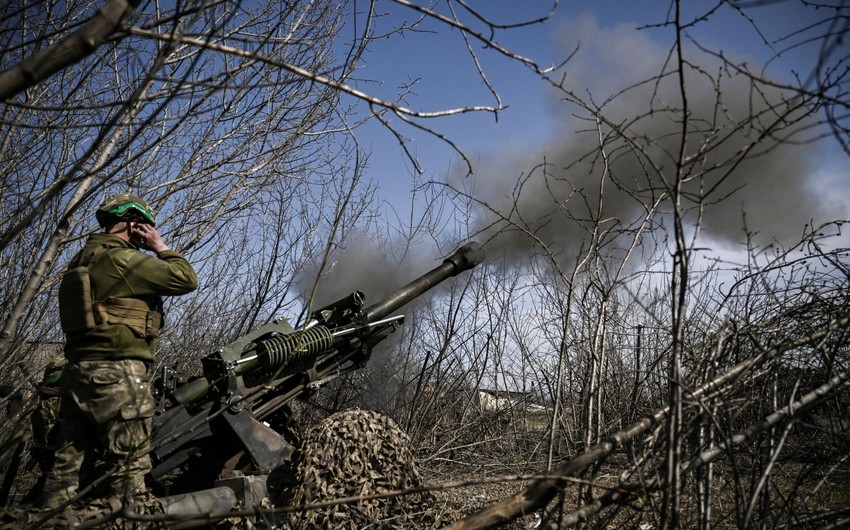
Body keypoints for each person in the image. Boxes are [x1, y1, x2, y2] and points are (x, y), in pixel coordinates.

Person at [41, 193, 198, 511]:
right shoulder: (121, 259)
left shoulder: (84, 259)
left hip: (77, 375)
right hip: (117, 376)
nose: (148, 233)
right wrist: (160, 247)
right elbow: (185, 279)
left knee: (63, 478)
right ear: (134, 224)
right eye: (146, 226)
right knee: (129, 478)